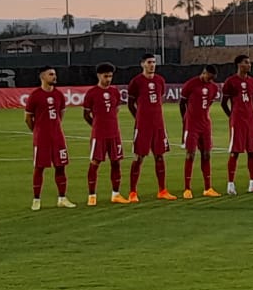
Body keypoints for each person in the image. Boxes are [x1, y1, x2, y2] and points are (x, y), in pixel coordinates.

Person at [25, 66, 75, 211]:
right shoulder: (35, 95)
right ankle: (36, 199)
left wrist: (55, 127)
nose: (54, 76)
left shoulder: (59, 95)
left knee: (61, 166)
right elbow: (28, 118)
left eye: (54, 74)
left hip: (58, 137)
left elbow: (61, 115)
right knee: (39, 168)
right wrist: (36, 131)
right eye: (51, 74)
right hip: (42, 138)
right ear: (42, 77)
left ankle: (62, 198)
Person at [126, 53, 175, 202]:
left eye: (154, 62)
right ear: (142, 64)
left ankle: (162, 190)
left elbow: (160, 98)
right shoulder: (136, 82)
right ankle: (133, 192)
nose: (152, 65)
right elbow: (130, 104)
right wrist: (140, 119)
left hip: (159, 125)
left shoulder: (160, 80)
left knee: (159, 156)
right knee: (139, 157)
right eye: (149, 62)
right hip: (143, 126)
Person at [82, 61, 129, 205]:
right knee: (95, 163)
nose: (108, 79)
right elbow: (86, 115)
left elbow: (116, 109)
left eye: (110, 76)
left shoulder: (115, 91)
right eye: (105, 76)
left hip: (114, 134)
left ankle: (116, 194)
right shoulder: (92, 93)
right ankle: (92, 196)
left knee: (116, 162)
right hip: (99, 135)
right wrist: (96, 126)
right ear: (99, 76)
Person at [220, 54, 253, 195]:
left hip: (250, 121)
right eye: (246, 62)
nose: (249, 65)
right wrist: (232, 116)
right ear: (239, 64)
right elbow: (224, 103)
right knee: (235, 152)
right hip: (237, 121)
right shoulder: (230, 82)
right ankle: (230, 184)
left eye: (250, 63)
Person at [179, 64, 221, 199]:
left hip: (205, 125)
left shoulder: (214, 88)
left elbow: (209, 104)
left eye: (213, 78)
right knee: (190, 154)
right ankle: (187, 188)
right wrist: (185, 119)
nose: (211, 80)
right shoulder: (190, 84)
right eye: (209, 77)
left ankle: (208, 187)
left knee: (207, 154)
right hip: (192, 125)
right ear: (204, 73)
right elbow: (182, 103)